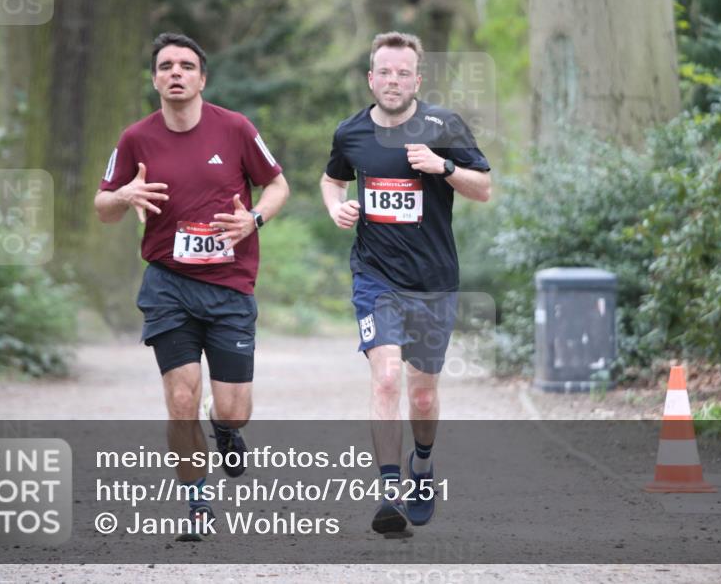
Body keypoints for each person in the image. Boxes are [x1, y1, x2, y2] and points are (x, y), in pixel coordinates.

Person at [95, 33, 289, 540]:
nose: (175, 73)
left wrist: (254, 219)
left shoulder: (236, 129)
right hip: (169, 286)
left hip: (230, 288)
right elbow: (103, 207)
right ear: (155, 79)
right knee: (180, 400)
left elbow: (277, 184)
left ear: (202, 78)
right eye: (165, 66)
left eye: (185, 66)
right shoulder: (135, 139)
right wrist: (124, 195)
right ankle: (197, 503)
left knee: (236, 411)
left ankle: (223, 427)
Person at [320, 32, 491, 534]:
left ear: (417, 80)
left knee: (422, 396)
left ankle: (422, 465)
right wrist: (336, 207)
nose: (392, 81)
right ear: (370, 79)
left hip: (434, 280)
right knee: (387, 377)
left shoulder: (443, 126)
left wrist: (444, 166)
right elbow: (332, 179)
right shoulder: (351, 132)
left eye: (402, 73)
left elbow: (483, 187)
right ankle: (389, 491)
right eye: (384, 72)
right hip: (375, 277)